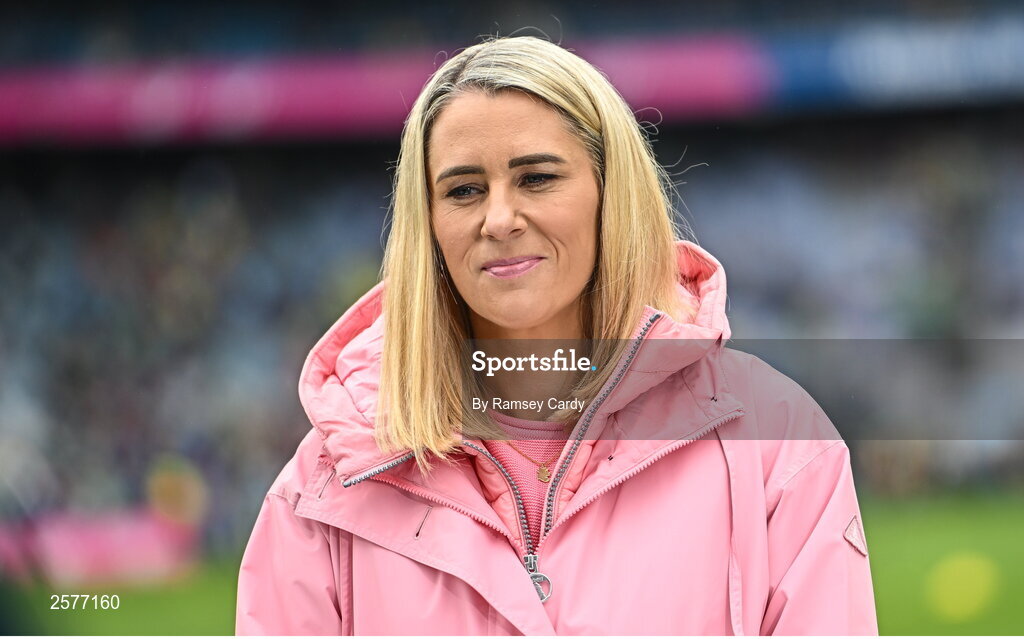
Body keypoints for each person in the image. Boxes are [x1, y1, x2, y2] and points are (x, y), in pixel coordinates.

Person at [235, 35, 878, 635]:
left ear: (611, 193)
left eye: (537, 178)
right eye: (463, 190)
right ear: (426, 222)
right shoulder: (324, 486)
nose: (499, 218)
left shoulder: (780, 446)